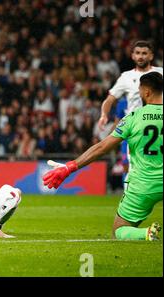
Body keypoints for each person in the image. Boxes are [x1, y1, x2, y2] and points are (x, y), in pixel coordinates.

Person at [43, 72, 163, 241]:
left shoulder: (133, 118)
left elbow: (101, 148)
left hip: (143, 185)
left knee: (119, 231)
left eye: (140, 90)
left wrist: (71, 166)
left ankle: (146, 234)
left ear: (147, 92)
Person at [97, 40, 163, 131]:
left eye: (144, 53)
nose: (140, 56)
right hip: (135, 130)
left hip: (159, 127)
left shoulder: (161, 72)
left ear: (151, 56)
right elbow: (109, 99)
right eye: (137, 53)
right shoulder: (126, 77)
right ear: (133, 56)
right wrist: (103, 115)